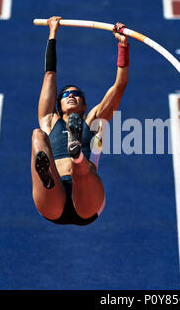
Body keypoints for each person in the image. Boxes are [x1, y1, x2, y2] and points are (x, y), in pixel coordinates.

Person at [31, 16, 129, 225]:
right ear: (59, 105)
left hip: (86, 201)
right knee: (38, 136)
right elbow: (49, 74)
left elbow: (119, 86)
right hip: (54, 198)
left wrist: (122, 46)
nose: (71, 95)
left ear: (85, 106)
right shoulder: (49, 121)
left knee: (81, 170)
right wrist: (53, 32)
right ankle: (48, 177)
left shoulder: (95, 121)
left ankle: (77, 157)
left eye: (76, 94)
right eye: (65, 95)